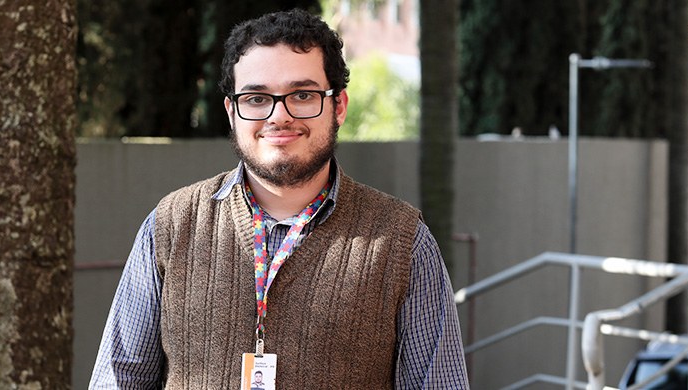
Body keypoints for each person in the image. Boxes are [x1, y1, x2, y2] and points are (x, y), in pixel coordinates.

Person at [90, 8, 469, 389]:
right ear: (232, 112)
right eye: (256, 98)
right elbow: (119, 379)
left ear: (338, 106)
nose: (278, 116)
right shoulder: (171, 225)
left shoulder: (401, 242)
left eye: (302, 95)